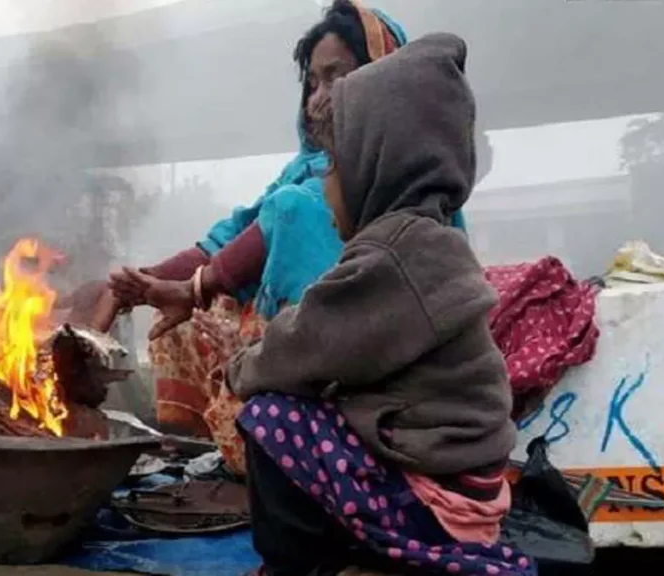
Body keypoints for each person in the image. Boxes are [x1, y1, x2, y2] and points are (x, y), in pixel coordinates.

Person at [121, 33, 534, 576]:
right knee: (312, 410)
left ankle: (297, 564)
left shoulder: (391, 254)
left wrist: (242, 367)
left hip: (434, 499)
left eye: (334, 168)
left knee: (273, 419)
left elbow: (307, 344)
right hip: (462, 482)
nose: (326, 185)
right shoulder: (429, 239)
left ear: (376, 167)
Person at [100, 0, 466, 474]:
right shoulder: (303, 172)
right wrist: (138, 285)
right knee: (187, 323)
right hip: (316, 344)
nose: (319, 96)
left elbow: (280, 220)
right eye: (312, 83)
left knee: (285, 224)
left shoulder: (407, 180)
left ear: (383, 81)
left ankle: (306, 433)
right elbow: (231, 238)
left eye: (337, 77)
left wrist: (197, 292)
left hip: (375, 365)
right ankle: (269, 433)